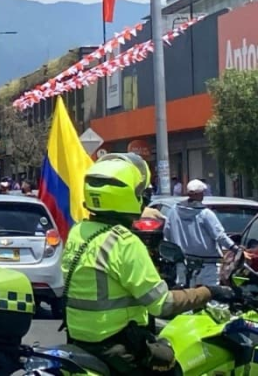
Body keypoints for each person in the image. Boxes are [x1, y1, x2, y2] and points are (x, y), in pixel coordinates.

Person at [62, 153, 235, 374]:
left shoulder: (78, 232)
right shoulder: (124, 243)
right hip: (116, 344)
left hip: (80, 339)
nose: (143, 197)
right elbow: (162, 304)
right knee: (173, 365)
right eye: (138, 192)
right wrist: (209, 291)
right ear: (125, 195)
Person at [162, 179, 239, 287]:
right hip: (206, 265)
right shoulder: (205, 214)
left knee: (186, 298)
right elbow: (220, 236)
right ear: (200, 194)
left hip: (183, 264)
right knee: (209, 297)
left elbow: (167, 233)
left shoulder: (174, 211)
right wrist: (235, 248)